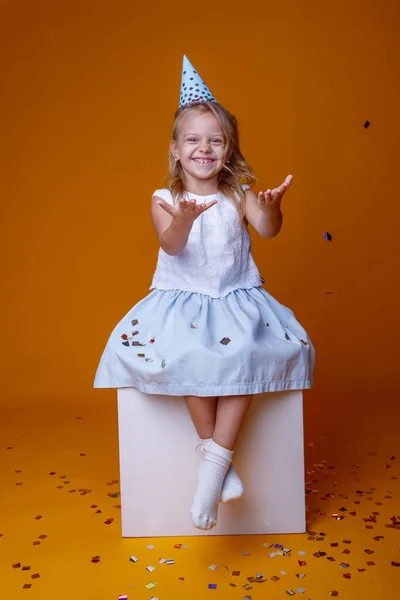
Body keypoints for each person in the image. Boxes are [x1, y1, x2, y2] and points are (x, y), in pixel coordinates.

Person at [94, 55, 315, 531]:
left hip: (236, 299)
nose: (204, 148)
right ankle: (220, 466)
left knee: (249, 358)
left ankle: (212, 464)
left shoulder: (240, 194)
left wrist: (274, 209)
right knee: (190, 359)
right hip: (183, 302)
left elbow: (268, 230)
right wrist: (184, 220)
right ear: (175, 149)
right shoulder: (164, 199)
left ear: (229, 150)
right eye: (193, 140)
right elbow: (170, 246)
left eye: (216, 141)